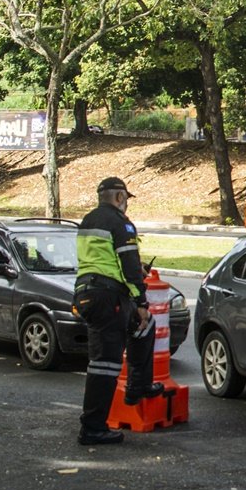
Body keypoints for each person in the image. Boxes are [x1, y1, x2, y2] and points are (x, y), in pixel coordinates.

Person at [74, 176, 163, 445]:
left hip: (88, 293)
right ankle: (92, 428)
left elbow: (103, 261)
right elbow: (127, 263)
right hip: (108, 296)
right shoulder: (120, 223)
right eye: (126, 199)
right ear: (120, 197)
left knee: (142, 330)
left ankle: (138, 386)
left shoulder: (88, 221)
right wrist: (142, 303)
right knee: (105, 365)